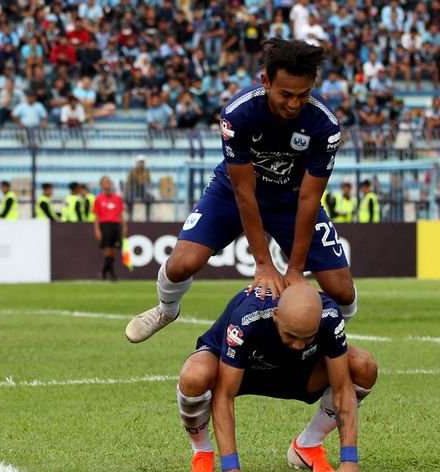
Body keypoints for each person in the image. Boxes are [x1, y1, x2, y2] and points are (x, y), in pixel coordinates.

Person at [126, 39, 357, 343]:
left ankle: (322, 341)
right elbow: (243, 192)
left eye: (303, 95)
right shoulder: (238, 113)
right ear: (266, 81)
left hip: (291, 198)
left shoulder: (324, 124)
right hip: (233, 193)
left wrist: (296, 270)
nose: (293, 104)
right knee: (183, 264)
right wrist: (263, 265)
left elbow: (310, 197)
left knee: (343, 292)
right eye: (285, 94)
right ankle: (166, 310)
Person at [176, 283, 376, 472]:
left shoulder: (330, 315)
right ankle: (202, 454)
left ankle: (308, 445)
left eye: (307, 337)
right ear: (276, 316)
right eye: (291, 335)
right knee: (194, 375)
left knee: (363, 366)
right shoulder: (248, 315)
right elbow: (224, 395)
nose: (298, 344)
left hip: (298, 369)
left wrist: (350, 462)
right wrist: (231, 471)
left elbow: (342, 387)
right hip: (238, 370)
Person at [93, 176, 127, 281]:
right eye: (104, 182)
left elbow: (121, 214)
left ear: (111, 184)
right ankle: (112, 274)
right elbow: (97, 217)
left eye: (108, 182)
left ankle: (104, 272)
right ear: (101, 185)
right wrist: (97, 230)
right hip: (105, 225)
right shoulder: (98, 199)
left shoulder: (117, 198)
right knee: (107, 250)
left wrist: (124, 227)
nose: (106, 184)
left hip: (115, 225)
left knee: (114, 250)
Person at [125, 154, 153, 222]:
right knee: (129, 199)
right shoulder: (132, 171)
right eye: (140, 162)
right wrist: (126, 193)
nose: (141, 164)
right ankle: (130, 216)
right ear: (137, 163)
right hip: (134, 189)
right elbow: (128, 182)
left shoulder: (146, 171)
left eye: (142, 162)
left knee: (148, 199)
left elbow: (149, 182)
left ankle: (147, 217)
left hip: (142, 189)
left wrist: (151, 193)